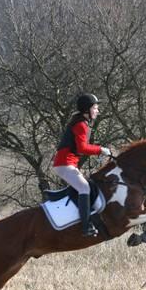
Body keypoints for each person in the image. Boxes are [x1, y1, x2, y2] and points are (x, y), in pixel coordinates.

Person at [53, 93, 111, 237]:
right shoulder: (81, 125)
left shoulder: (81, 123)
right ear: (87, 110)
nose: (97, 111)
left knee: (87, 186)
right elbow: (82, 148)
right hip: (64, 164)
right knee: (84, 187)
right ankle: (86, 227)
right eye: (95, 108)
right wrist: (101, 150)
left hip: (67, 163)